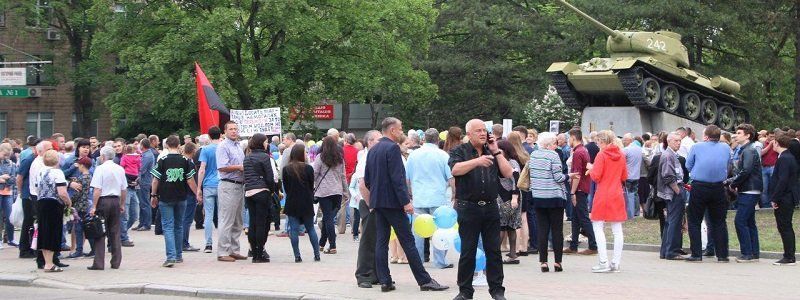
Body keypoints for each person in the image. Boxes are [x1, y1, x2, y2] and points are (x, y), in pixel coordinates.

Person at [364, 117, 448, 294]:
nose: (402, 132)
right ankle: (424, 280)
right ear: (392, 130)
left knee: (381, 241)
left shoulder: (373, 149)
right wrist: (405, 202)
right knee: (408, 241)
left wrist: (376, 197)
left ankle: (385, 281)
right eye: (400, 129)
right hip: (393, 203)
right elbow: (398, 179)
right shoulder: (392, 148)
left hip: (378, 202)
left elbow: (368, 179)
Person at [449, 118, 512, 300]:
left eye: (485, 130)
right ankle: (465, 291)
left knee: (494, 250)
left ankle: (497, 290)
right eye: (478, 130)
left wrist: (496, 151)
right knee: (468, 251)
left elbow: (508, 173)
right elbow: (455, 170)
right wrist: (477, 161)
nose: (483, 133)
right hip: (468, 207)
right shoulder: (459, 150)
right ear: (468, 134)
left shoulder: (492, 151)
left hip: (491, 207)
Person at [406, 128, 454, 269]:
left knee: (418, 231)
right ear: (437, 140)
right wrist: (455, 194)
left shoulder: (413, 156)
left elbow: (407, 179)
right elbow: (451, 178)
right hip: (438, 197)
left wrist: (410, 195)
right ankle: (440, 261)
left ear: (423, 139)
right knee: (440, 231)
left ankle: (418, 261)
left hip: (419, 197)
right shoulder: (443, 155)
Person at [150, 135, 198, 267]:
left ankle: (170, 256)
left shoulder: (162, 160)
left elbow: (155, 180)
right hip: (181, 196)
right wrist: (197, 193)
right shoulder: (185, 160)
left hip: (165, 196)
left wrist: (153, 195)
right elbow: (190, 180)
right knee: (179, 225)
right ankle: (178, 255)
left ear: (166, 146)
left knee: (168, 226)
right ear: (178, 145)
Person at [587, 130, 627, 273]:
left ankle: (603, 261)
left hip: (603, 193)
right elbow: (624, 176)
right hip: (617, 193)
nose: (597, 145)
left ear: (602, 142)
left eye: (598, 142)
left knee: (598, 226)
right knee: (617, 229)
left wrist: (591, 168)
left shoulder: (601, 155)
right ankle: (615, 262)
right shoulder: (621, 155)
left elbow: (596, 176)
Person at [528, 132, 568, 272]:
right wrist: (569, 176)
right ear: (549, 144)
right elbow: (558, 177)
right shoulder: (553, 155)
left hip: (538, 196)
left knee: (542, 230)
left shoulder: (533, 155)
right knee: (557, 230)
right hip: (554, 196)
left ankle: (543, 262)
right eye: (554, 143)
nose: (556, 146)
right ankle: (557, 262)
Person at [723, 124, 761, 263]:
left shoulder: (749, 150)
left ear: (747, 135)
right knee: (749, 222)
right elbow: (742, 171)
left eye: (739, 133)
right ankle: (754, 252)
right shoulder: (745, 149)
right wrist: (730, 180)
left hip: (749, 190)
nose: (736, 135)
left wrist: (733, 183)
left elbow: (746, 171)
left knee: (740, 221)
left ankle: (747, 253)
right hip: (749, 189)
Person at [88, 146, 127, 270]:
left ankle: (99, 263)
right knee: (115, 231)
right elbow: (124, 189)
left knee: (100, 230)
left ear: (103, 156)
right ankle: (116, 261)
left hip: (103, 201)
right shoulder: (120, 169)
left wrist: (94, 206)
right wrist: (122, 204)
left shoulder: (100, 169)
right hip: (115, 199)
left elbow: (97, 189)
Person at [34, 150, 72, 273]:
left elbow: (36, 188)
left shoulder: (39, 172)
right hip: (53, 204)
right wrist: (68, 202)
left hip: (41, 203)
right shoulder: (58, 172)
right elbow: (62, 192)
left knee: (44, 233)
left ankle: (46, 262)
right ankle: (49, 264)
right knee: (53, 233)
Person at [282, 143, 320, 262]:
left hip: (292, 202)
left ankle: (297, 255)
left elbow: (286, 188)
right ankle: (317, 253)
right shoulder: (308, 168)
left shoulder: (286, 169)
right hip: (306, 201)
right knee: (310, 229)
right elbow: (311, 185)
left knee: (293, 230)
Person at [243, 133, 278, 263]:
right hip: (262, 192)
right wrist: (272, 190)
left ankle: (253, 251)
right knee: (262, 223)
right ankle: (260, 253)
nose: (267, 143)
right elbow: (269, 177)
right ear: (261, 143)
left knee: (253, 223)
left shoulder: (247, 157)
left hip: (249, 193)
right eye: (265, 141)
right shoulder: (265, 157)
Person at [354, 130, 382, 288]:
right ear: (370, 142)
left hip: (377, 202)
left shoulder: (376, 155)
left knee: (379, 239)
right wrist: (371, 204)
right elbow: (362, 183)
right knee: (369, 239)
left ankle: (377, 273)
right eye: (379, 140)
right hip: (369, 202)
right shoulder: (366, 157)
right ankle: (364, 274)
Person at [215, 122, 247, 262]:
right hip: (228, 185)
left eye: (235, 129)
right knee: (226, 219)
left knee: (238, 220)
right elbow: (222, 167)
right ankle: (222, 252)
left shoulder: (239, 146)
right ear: (225, 131)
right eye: (231, 129)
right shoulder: (223, 146)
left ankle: (234, 250)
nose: (234, 131)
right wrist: (239, 167)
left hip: (239, 185)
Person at [563, 128, 597, 256]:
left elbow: (576, 175)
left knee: (583, 218)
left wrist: (572, 192)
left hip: (579, 189)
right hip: (583, 187)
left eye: (569, 138)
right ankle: (573, 245)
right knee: (576, 218)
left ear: (573, 138)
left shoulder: (578, 152)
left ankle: (593, 245)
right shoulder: (583, 150)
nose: (568, 141)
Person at [313, 136, 348, 255]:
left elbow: (314, 173)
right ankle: (321, 243)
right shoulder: (340, 159)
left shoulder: (320, 158)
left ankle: (332, 245)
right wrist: (345, 191)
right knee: (328, 218)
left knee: (328, 218)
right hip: (337, 192)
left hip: (324, 192)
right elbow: (343, 176)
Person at [768, 134, 798, 266]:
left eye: (773, 143)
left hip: (785, 197)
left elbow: (783, 180)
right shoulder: (787, 157)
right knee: (785, 226)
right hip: (787, 196)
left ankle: (789, 256)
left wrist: (775, 198)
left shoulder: (785, 158)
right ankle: (789, 255)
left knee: (784, 226)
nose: (772, 145)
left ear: (777, 143)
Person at [657, 132, 687, 260]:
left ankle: (666, 251)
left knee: (670, 221)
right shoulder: (668, 155)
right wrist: (678, 191)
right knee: (674, 222)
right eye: (676, 140)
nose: (678, 143)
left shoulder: (671, 155)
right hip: (674, 192)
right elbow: (668, 176)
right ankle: (672, 251)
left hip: (673, 191)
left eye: (680, 140)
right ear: (668, 141)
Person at [495, 140, 522, 265]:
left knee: (504, 226)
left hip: (508, 197)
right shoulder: (499, 161)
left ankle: (494, 254)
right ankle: (512, 254)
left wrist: (514, 198)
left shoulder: (511, 163)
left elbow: (516, 181)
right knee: (510, 227)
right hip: (504, 196)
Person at [197, 126, 221, 253]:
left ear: (210, 136)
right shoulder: (223, 148)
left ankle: (208, 244)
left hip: (208, 185)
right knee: (222, 215)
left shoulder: (205, 149)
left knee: (208, 215)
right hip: (222, 184)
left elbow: (202, 169)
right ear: (221, 135)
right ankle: (223, 243)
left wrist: (198, 188)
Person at [67, 157, 95, 258]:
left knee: (79, 229)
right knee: (88, 228)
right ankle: (94, 249)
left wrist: (70, 202)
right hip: (88, 205)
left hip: (79, 206)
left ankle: (79, 250)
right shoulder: (91, 177)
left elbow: (77, 193)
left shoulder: (81, 178)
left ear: (82, 166)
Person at [181, 142, 202, 252]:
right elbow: (191, 181)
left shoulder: (182, 161)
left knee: (183, 219)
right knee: (187, 219)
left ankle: (182, 242)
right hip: (189, 194)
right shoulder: (190, 164)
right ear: (193, 151)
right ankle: (184, 243)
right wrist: (197, 193)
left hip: (182, 193)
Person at [119, 144, 140, 247]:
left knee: (135, 214)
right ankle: (123, 236)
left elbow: (122, 168)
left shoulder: (124, 158)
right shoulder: (136, 157)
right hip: (126, 188)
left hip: (132, 187)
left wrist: (137, 181)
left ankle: (122, 232)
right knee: (124, 214)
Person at [134, 138, 155, 232]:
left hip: (144, 181)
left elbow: (142, 169)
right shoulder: (146, 154)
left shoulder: (147, 156)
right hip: (143, 181)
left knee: (145, 203)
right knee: (142, 203)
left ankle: (146, 224)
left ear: (142, 145)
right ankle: (142, 223)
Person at [0, 143, 17, 247]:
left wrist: (3, 180)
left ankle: (10, 239)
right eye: (4, 154)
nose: (5, 157)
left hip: (8, 192)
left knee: (10, 216)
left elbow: (13, 178)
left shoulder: (11, 163)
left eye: (7, 155)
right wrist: (1, 178)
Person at [622, 133, 642, 219]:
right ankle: (636, 212)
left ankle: (630, 213)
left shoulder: (626, 149)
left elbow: (621, 162)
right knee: (635, 194)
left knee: (628, 194)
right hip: (636, 175)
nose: (623, 141)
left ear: (630, 140)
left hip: (628, 175)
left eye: (625, 139)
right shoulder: (639, 149)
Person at [760, 130, 778, 208]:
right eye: (770, 136)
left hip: (773, 167)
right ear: (766, 136)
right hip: (764, 167)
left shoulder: (777, 144)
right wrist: (769, 145)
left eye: (773, 136)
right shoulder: (762, 144)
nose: (772, 138)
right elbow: (761, 153)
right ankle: (765, 206)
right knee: (764, 188)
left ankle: (772, 204)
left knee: (773, 186)